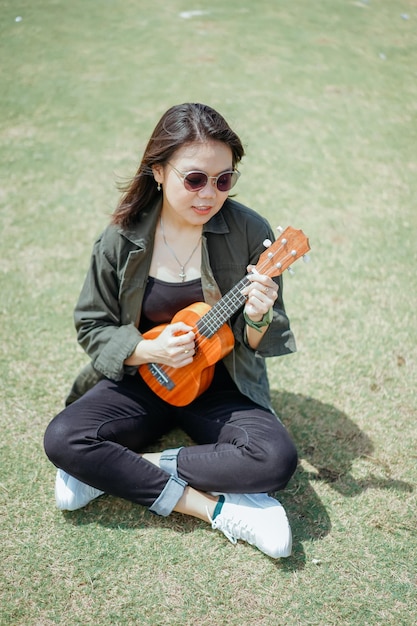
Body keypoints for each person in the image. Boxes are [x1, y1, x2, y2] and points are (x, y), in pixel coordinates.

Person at [44, 103, 298, 559]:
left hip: (223, 385)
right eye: (195, 178)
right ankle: (214, 509)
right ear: (158, 171)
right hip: (146, 379)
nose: (210, 194)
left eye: (224, 180)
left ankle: (114, 469)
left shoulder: (250, 231)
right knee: (63, 438)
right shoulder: (121, 238)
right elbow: (92, 323)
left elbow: (259, 341)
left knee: (276, 458)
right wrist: (146, 347)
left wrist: (258, 315)